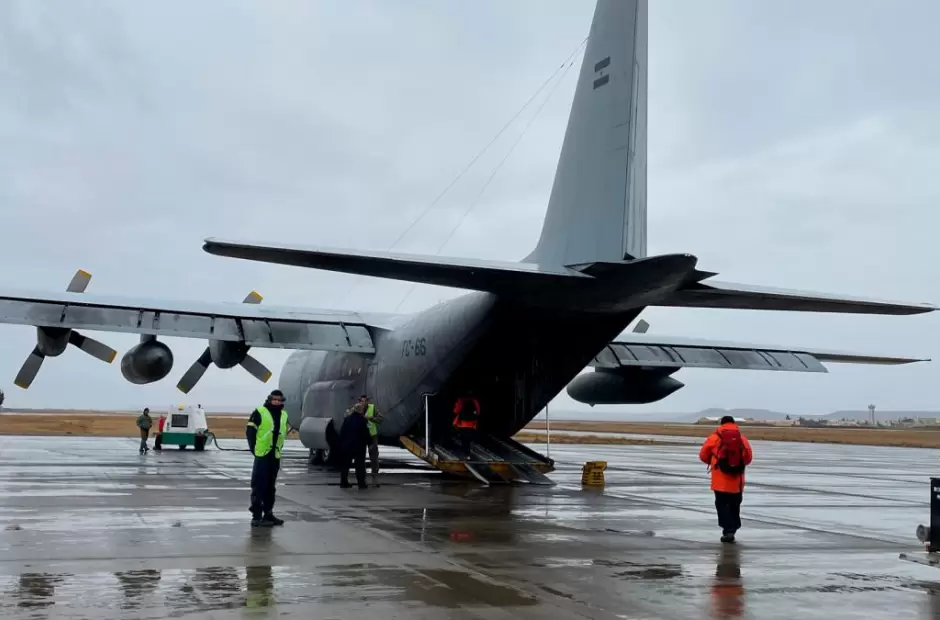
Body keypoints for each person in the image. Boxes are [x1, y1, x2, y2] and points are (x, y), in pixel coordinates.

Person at [699, 416, 753, 543]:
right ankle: (733, 528)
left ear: (721, 424)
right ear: (734, 424)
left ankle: (727, 530)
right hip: (737, 481)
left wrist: (714, 462)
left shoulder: (714, 437)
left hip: (720, 480)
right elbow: (748, 458)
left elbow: (703, 455)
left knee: (722, 505)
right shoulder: (741, 438)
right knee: (735, 505)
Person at [246, 390, 289, 527]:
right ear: (269, 399)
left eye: (279, 400)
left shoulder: (284, 415)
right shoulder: (260, 412)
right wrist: (255, 449)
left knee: (271, 487)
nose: (276, 402)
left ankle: (268, 513)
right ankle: (256, 516)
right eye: (274, 399)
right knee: (259, 486)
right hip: (262, 455)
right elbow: (250, 432)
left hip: (274, 455)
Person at [338, 400, 371, 489]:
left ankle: (343, 482)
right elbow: (366, 433)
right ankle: (361, 483)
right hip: (359, 447)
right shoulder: (362, 420)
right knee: (359, 466)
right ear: (360, 410)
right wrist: (369, 442)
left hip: (347, 446)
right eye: (362, 409)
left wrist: (342, 444)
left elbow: (342, 432)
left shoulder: (347, 419)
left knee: (345, 465)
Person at [361, 395, 384, 487]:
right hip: (362, 436)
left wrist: (371, 418)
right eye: (361, 401)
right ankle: (362, 478)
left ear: (367, 401)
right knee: (360, 457)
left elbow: (381, 419)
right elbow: (347, 415)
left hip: (372, 436)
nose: (363, 403)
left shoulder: (373, 408)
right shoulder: (357, 408)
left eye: (364, 401)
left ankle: (375, 477)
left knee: (374, 457)